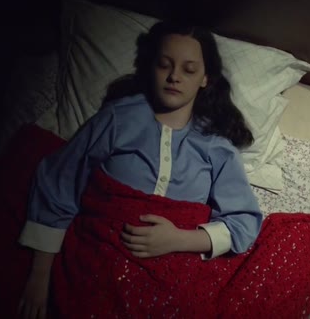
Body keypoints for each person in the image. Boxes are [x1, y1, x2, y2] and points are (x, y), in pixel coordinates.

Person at [16, 21, 263, 319]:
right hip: (98, 263)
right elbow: (59, 186)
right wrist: (39, 277)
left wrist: (178, 239)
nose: (174, 77)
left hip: (174, 276)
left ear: (205, 79)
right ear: (151, 67)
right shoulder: (117, 119)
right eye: (164, 65)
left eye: (188, 70)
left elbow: (243, 221)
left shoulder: (216, 146)